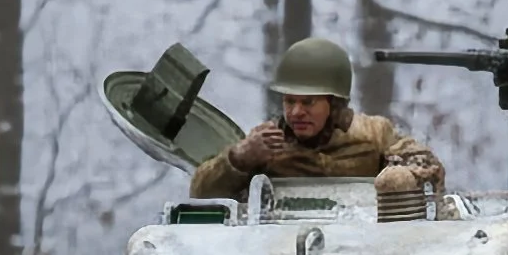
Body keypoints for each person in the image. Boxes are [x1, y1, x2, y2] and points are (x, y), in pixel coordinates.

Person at [187, 36, 445, 201]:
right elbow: (202, 193)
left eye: (308, 102)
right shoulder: (264, 145)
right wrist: (239, 159)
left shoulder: (374, 135)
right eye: (289, 101)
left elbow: (430, 173)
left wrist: (402, 176)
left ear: (334, 104)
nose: (296, 112)